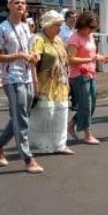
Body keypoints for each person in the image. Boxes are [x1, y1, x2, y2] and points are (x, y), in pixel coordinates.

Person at [0, 0, 43, 173]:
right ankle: (28, 158)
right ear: (9, 6)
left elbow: (28, 51)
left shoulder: (26, 27)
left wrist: (33, 58)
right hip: (11, 78)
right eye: (16, 2)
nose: (21, 5)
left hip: (26, 76)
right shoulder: (2, 29)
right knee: (21, 119)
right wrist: (19, 56)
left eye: (23, 3)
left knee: (20, 117)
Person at [29, 10, 73, 155]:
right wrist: (34, 83)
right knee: (45, 115)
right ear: (47, 25)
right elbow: (33, 63)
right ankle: (41, 144)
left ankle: (60, 144)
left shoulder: (59, 40)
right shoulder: (38, 39)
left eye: (60, 25)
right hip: (44, 84)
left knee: (61, 114)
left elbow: (66, 61)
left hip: (60, 83)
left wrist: (68, 79)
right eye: (56, 25)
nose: (59, 28)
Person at [66, 11, 108, 144]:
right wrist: (89, 58)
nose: (91, 30)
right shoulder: (75, 38)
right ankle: (87, 133)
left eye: (94, 27)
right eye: (90, 27)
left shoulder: (89, 36)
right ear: (83, 24)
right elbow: (70, 59)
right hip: (78, 75)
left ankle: (71, 124)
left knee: (91, 105)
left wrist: (99, 58)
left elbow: (92, 54)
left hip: (90, 73)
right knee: (86, 105)